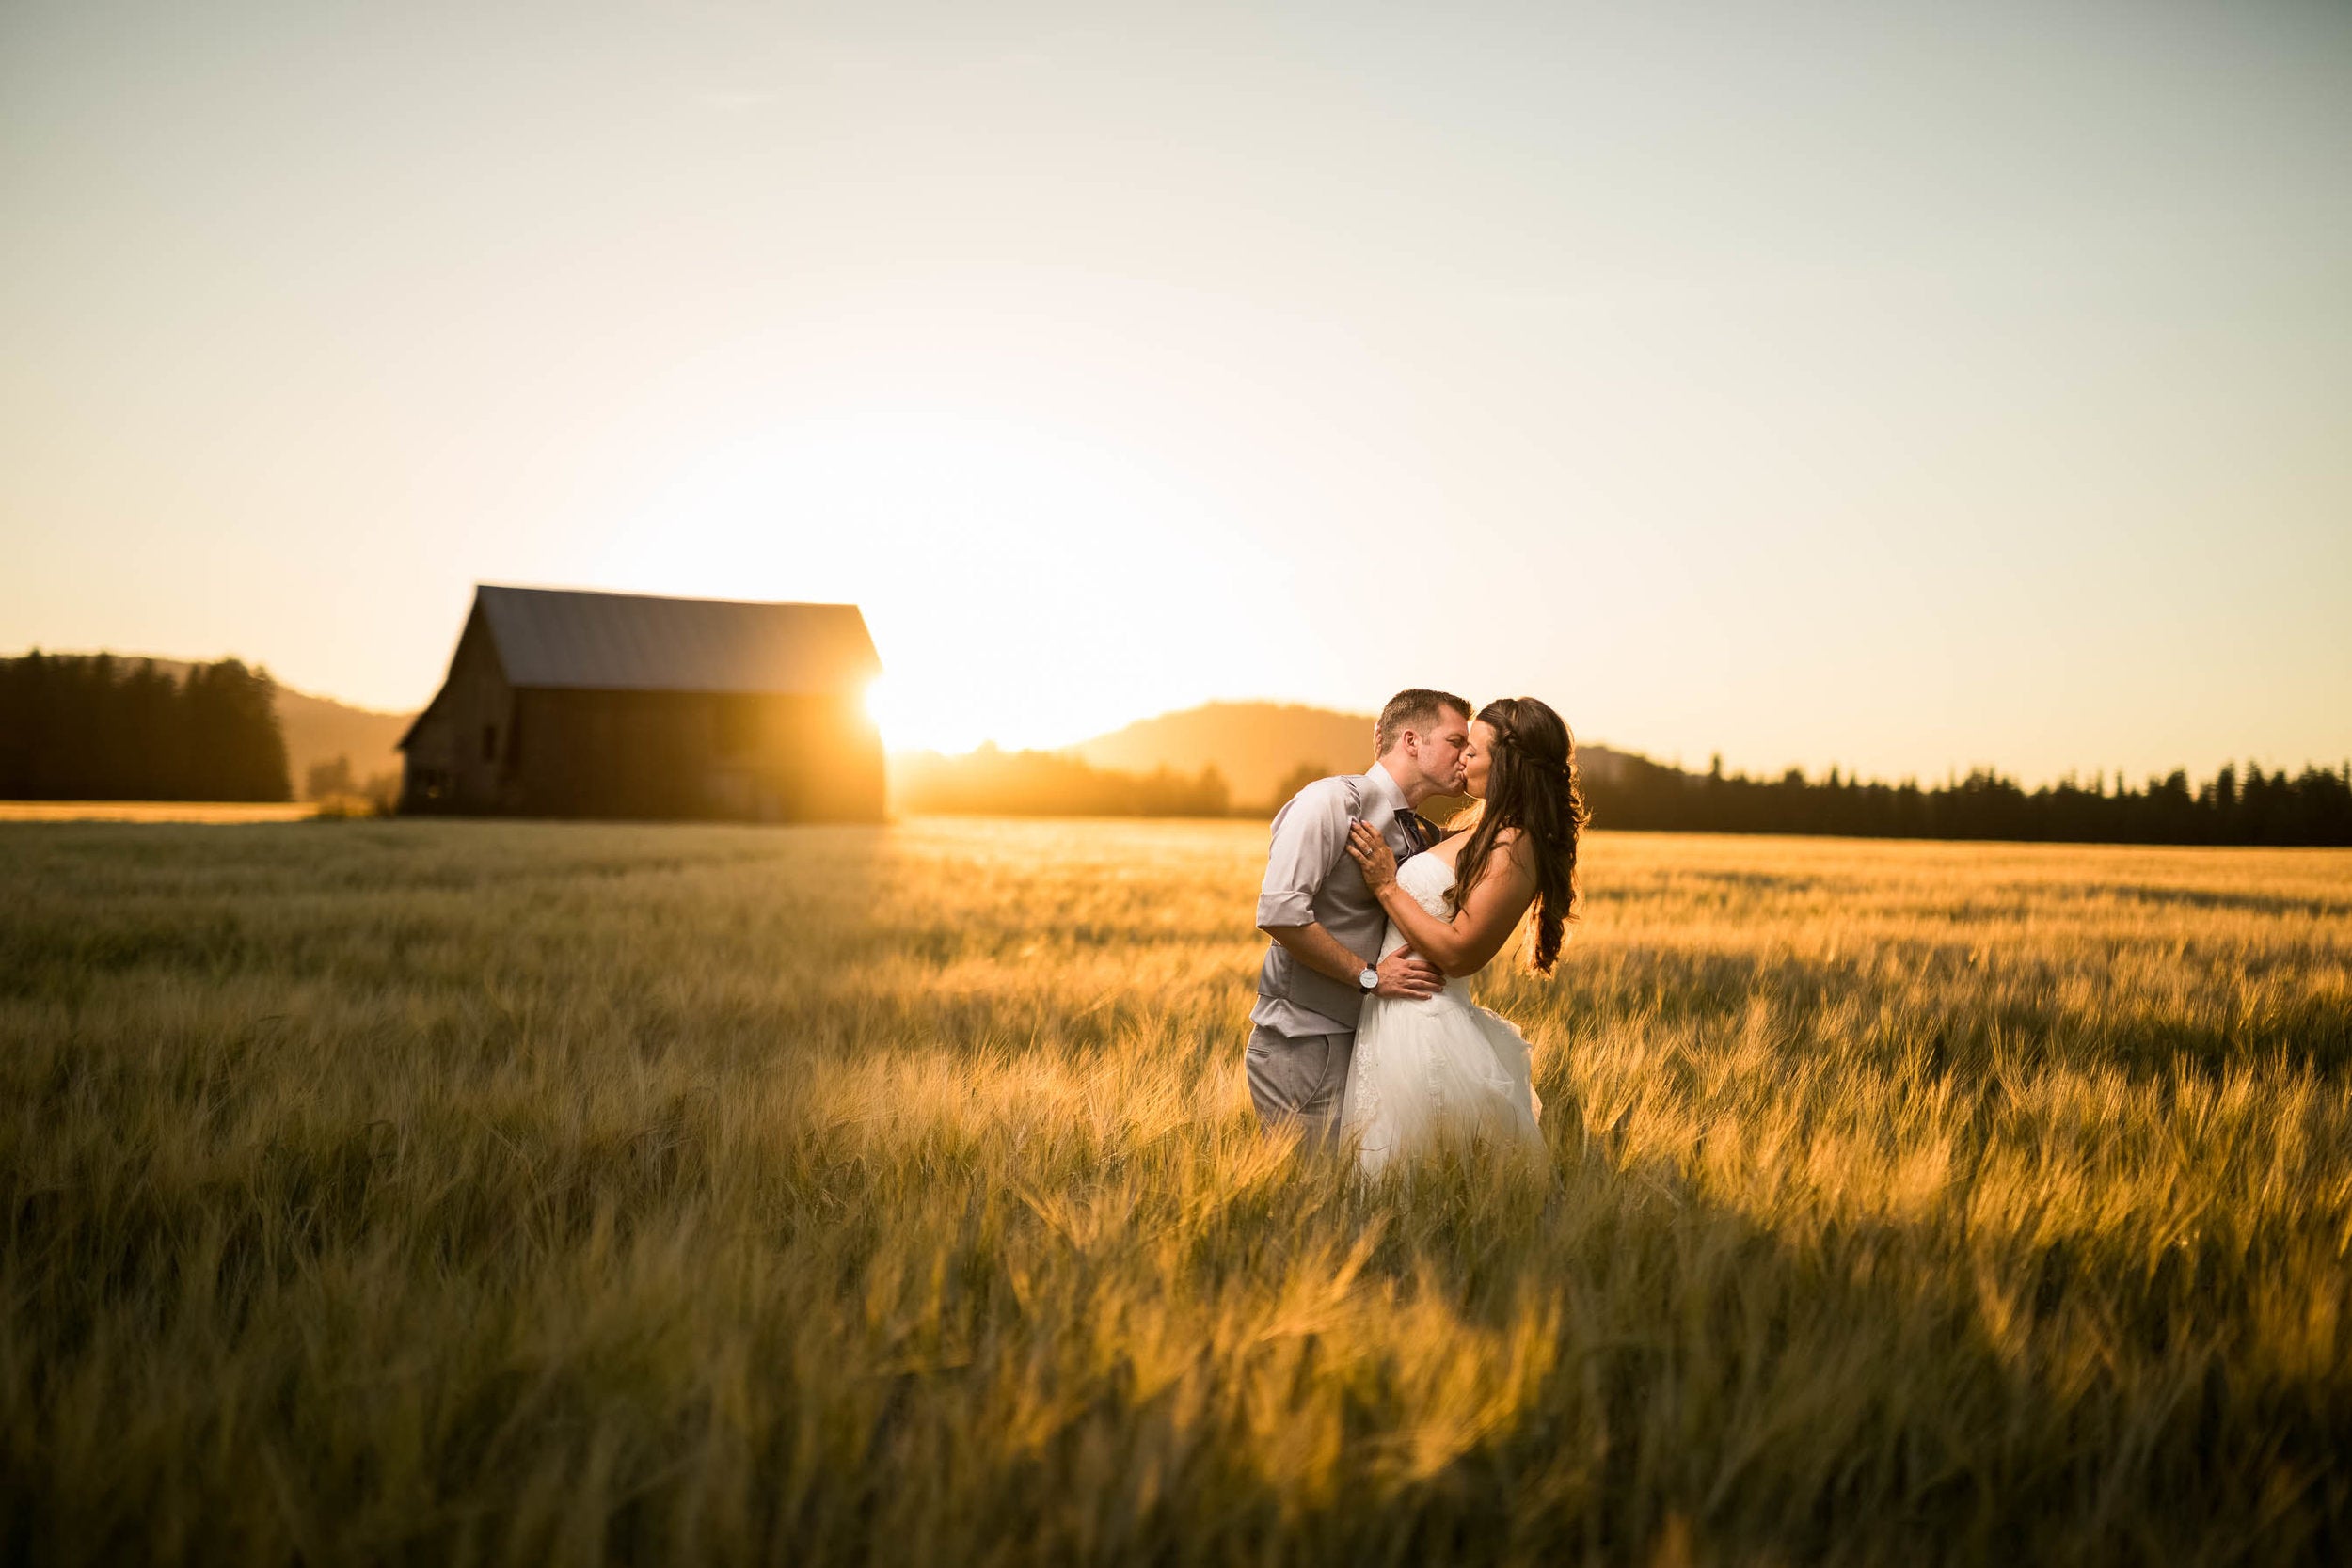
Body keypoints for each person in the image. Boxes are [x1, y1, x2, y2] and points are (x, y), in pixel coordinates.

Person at [1338, 695, 1588, 1179]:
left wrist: (1387, 886)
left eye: (1472, 749)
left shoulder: (1516, 842)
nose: (1462, 758)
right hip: (1390, 1018)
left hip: (1425, 1028)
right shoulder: (1478, 826)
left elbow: (1461, 951)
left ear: (1508, 764)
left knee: (1412, 1185)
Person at [1248, 689, 1471, 1143]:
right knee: (1318, 1204)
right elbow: (1280, 913)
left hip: (1374, 1047)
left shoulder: (1423, 832)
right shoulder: (1329, 801)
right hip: (1307, 1044)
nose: (1465, 756)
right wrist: (1371, 978)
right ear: (1412, 740)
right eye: (1455, 741)